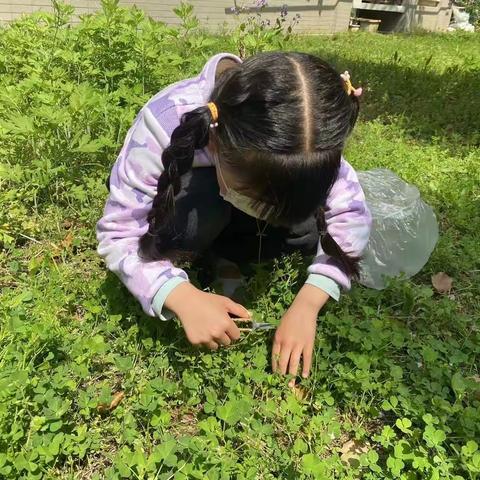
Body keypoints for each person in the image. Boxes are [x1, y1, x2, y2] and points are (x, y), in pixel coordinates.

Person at [96, 51, 372, 386]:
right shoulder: (165, 121)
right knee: (197, 212)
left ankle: (228, 256)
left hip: (247, 181)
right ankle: (209, 248)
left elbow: (351, 213)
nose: (262, 214)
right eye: (256, 201)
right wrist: (179, 295)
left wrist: (309, 303)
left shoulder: (306, 137)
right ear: (214, 143)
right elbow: (120, 233)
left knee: (304, 234)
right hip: (193, 199)